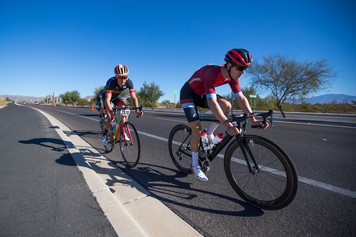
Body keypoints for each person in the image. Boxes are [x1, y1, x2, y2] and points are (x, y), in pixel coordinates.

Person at [180, 48, 269, 181]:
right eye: (240, 68)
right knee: (196, 130)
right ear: (229, 65)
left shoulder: (233, 76)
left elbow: (241, 98)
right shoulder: (211, 72)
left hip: (201, 94)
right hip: (188, 95)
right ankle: (195, 165)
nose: (243, 72)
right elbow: (212, 102)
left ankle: (209, 133)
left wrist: (253, 120)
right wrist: (227, 124)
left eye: (245, 68)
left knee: (227, 105)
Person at [102, 64, 144, 146]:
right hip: (107, 98)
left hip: (116, 98)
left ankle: (123, 131)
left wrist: (137, 110)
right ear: (116, 76)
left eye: (125, 77)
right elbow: (107, 99)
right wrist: (111, 111)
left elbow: (134, 98)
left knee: (126, 109)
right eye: (120, 77)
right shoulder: (111, 82)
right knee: (111, 117)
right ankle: (105, 135)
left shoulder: (129, 82)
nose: (123, 80)